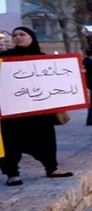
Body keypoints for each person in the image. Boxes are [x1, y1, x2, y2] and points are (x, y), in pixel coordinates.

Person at [0, 27, 74, 185]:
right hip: (12, 111)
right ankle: (12, 174)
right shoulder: (4, 57)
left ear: (31, 37)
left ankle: (51, 168)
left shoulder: (43, 59)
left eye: (22, 34)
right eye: (15, 35)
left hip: (39, 110)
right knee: (10, 141)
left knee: (46, 138)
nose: (18, 37)